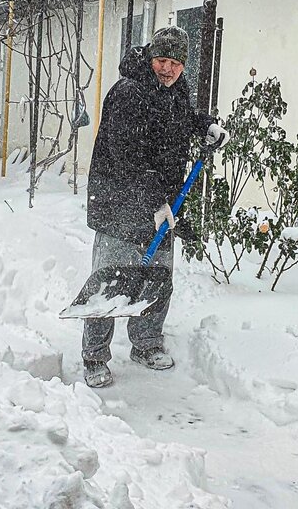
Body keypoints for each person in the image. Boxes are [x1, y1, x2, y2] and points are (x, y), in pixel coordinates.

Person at [82, 26, 226, 389]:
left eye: (176, 63)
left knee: (158, 280)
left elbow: (179, 122)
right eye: (163, 60)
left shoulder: (176, 92)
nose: (168, 69)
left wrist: (205, 125)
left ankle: (146, 343)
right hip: (119, 204)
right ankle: (95, 355)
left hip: (160, 204)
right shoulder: (128, 93)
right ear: (151, 57)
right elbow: (126, 156)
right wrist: (156, 201)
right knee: (110, 281)